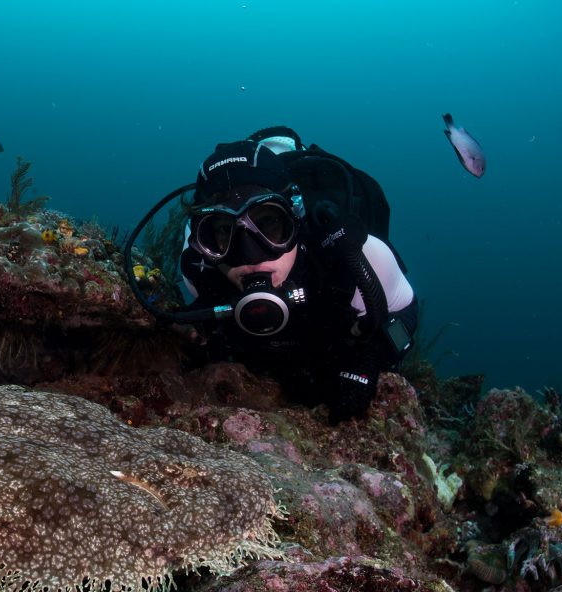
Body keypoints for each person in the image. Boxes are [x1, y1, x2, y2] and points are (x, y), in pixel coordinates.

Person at [174, 130, 418, 424]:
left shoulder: (357, 258)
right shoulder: (199, 273)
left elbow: (405, 307)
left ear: (296, 220)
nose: (251, 255)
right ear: (204, 242)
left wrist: (372, 357)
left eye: (268, 223)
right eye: (224, 231)